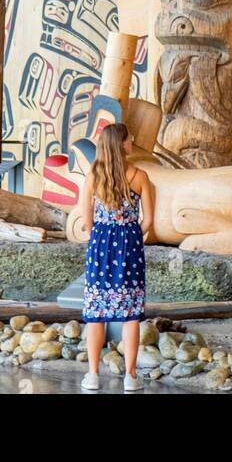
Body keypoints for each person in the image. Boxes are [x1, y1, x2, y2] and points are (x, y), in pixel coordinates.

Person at [80, 123, 154, 393]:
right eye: (129, 137)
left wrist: (101, 238)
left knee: (95, 313)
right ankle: (131, 377)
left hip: (100, 245)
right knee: (130, 314)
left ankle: (92, 375)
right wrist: (131, 235)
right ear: (121, 144)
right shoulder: (140, 176)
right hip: (130, 246)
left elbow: (86, 221)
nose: (132, 139)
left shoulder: (93, 177)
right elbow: (149, 221)